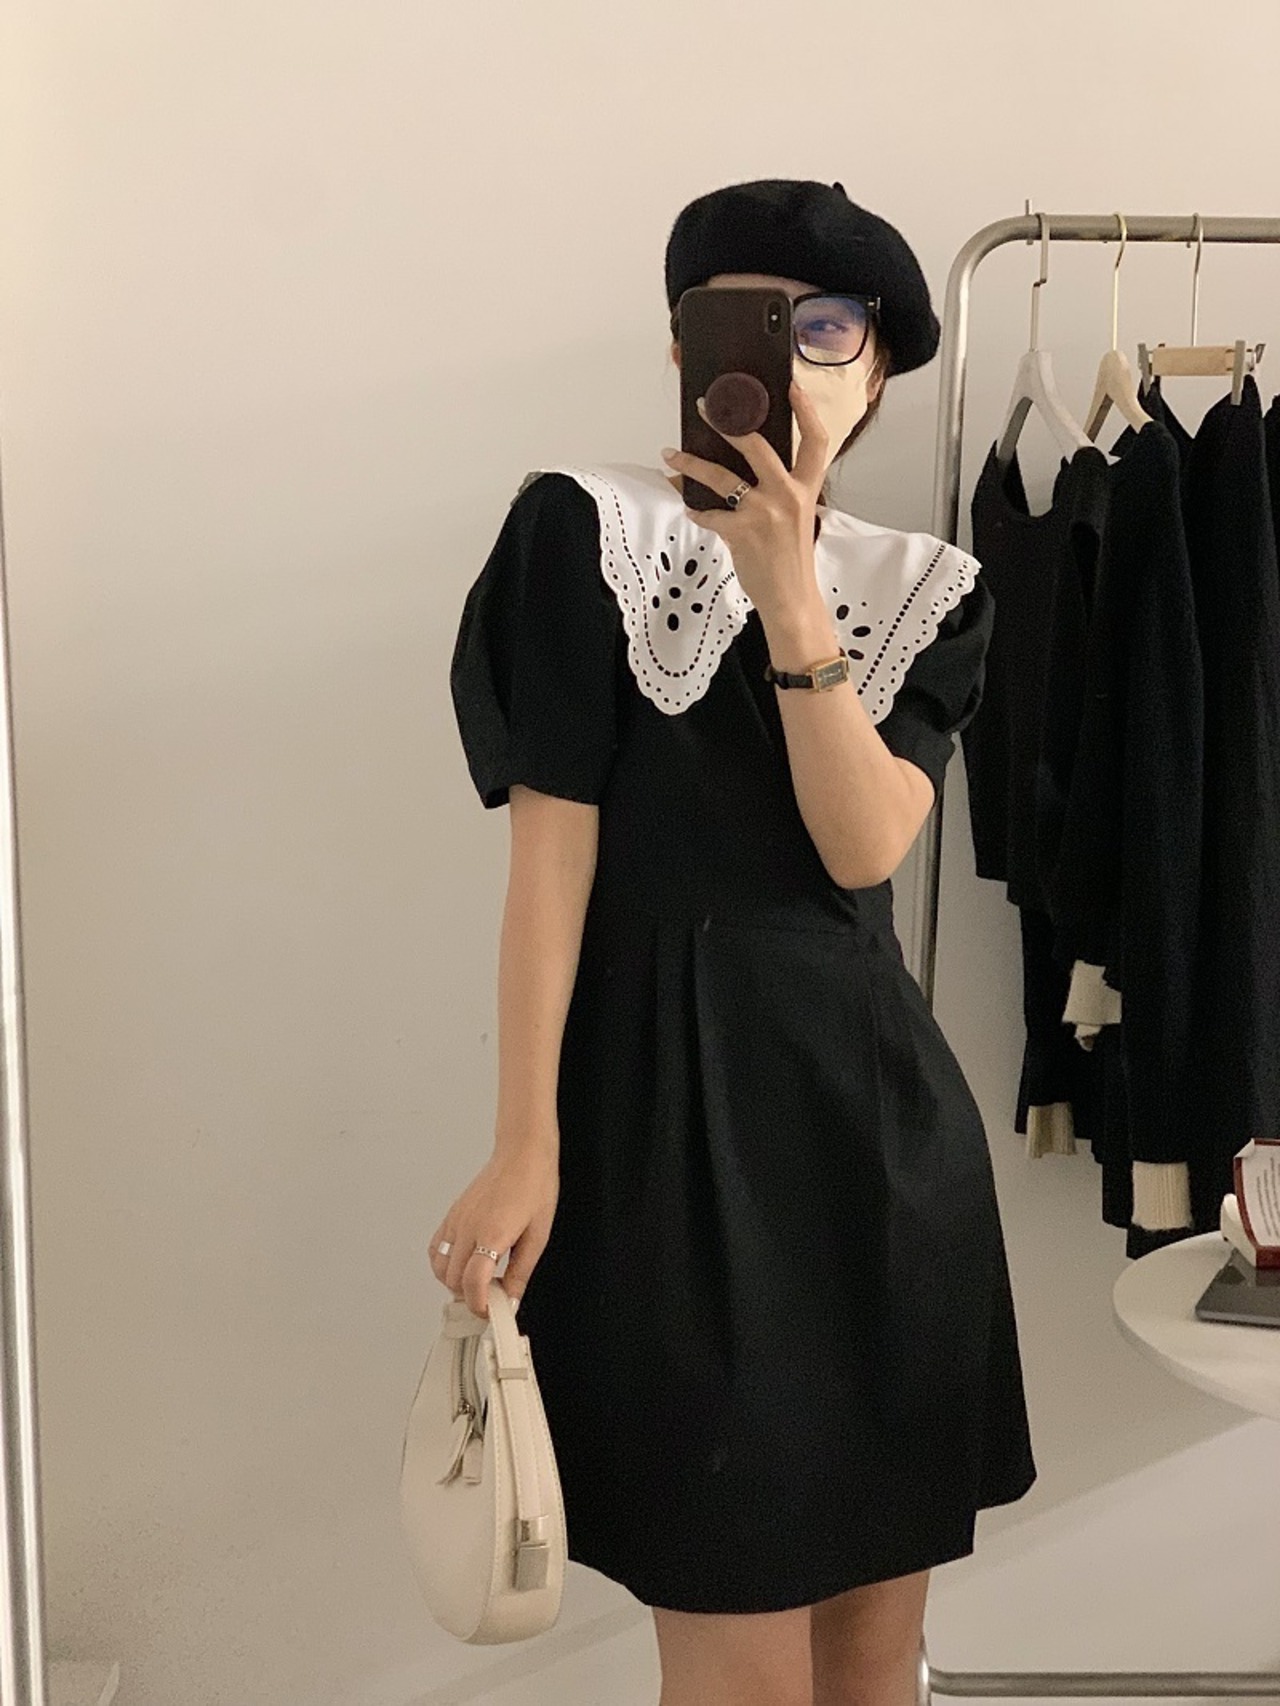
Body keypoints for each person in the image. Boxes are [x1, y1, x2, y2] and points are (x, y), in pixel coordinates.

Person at [437, 179, 1037, 1706]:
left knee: (875, 1659)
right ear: (684, 350)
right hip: (664, 1142)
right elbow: (550, 861)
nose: (796, 355)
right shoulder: (583, 532)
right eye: (753, 319)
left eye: (830, 328)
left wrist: (787, 588)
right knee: (738, 1667)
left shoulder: (925, 588)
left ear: (876, 371)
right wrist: (525, 1141)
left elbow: (862, 846)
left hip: (879, 1148)